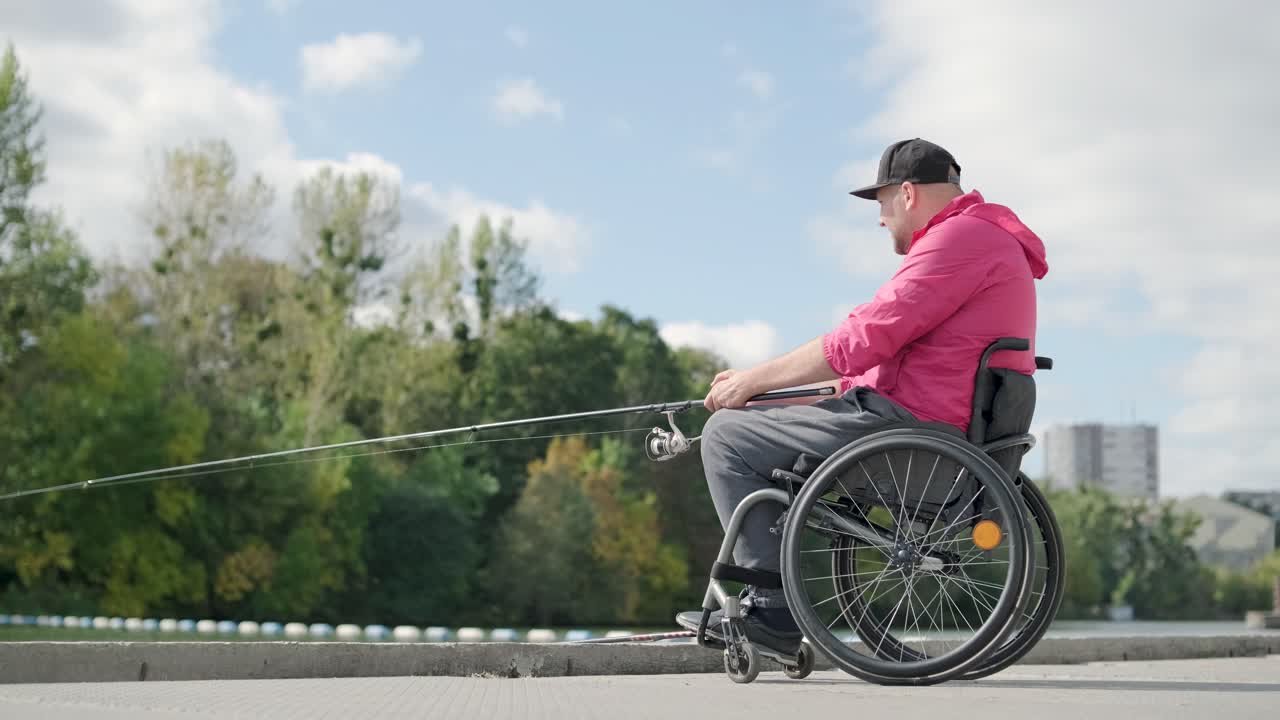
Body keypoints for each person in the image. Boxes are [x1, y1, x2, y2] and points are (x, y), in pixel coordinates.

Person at [676, 138, 1049, 657]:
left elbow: (865, 336)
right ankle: (774, 596)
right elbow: (879, 365)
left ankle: (773, 610)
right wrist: (770, 396)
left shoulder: (958, 240)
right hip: (935, 436)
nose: (880, 218)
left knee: (723, 437)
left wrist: (755, 379)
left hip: (912, 440)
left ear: (909, 194)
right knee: (755, 416)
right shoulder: (986, 241)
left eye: (882, 203)